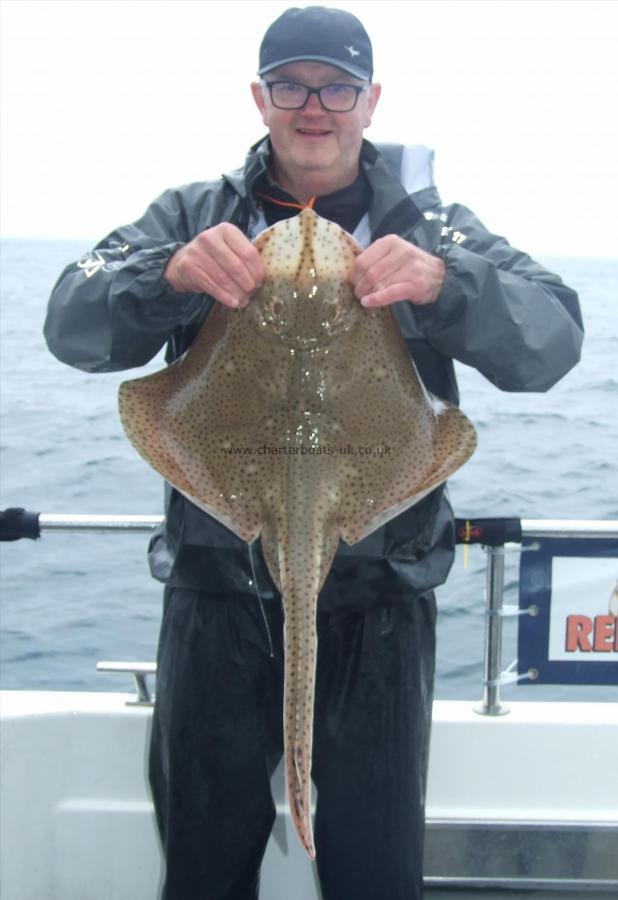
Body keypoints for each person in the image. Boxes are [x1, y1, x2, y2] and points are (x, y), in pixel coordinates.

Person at [44, 6, 584, 899]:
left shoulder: (432, 227)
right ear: (260, 98)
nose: (314, 106)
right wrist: (168, 273)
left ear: (371, 101)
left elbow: (554, 336)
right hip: (218, 586)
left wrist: (447, 286)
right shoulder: (194, 214)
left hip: (382, 597)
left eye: (337, 86)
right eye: (292, 85)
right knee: (205, 859)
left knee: (373, 869)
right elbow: (73, 316)